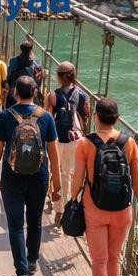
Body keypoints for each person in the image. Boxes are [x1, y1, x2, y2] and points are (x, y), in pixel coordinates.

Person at [70, 96, 138, 276]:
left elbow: (78, 178)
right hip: (123, 210)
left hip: (95, 208)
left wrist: (72, 201)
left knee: (99, 260)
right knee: (114, 258)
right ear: (117, 118)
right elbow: (137, 178)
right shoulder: (129, 142)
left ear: (95, 117)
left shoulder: (85, 143)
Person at [0, 74, 60, 276]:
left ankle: (21, 273)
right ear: (36, 93)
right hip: (39, 177)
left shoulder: (5, 117)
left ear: (14, 92)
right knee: (35, 220)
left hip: (12, 177)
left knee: (16, 224)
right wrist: (57, 184)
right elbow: (53, 154)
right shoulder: (46, 117)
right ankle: (32, 261)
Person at [45, 61, 91, 214]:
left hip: (56, 139)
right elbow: (86, 118)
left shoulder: (53, 95)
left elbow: (48, 118)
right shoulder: (83, 96)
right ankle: (67, 207)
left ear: (59, 77)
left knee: (54, 171)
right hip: (74, 140)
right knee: (68, 174)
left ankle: (57, 207)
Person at [3, 39, 45, 108]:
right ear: (31, 50)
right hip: (30, 96)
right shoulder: (37, 65)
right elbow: (38, 83)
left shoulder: (13, 61)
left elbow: (9, 78)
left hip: (14, 93)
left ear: (21, 49)